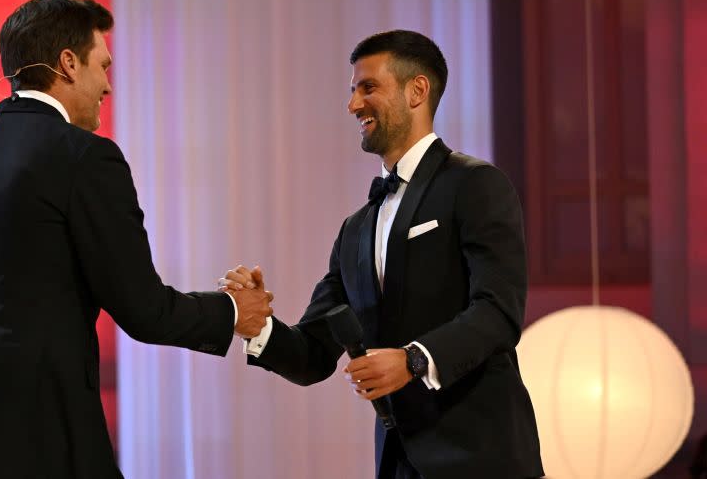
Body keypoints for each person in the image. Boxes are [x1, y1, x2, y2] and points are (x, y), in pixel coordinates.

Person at [0, 0, 272, 479]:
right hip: (43, 444)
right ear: (69, 63)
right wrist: (231, 311)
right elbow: (144, 311)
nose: (108, 86)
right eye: (103, 65)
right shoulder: (86, 158)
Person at [221, 30, 543, 478]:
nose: (353, 105)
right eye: (353, 90)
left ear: (417, 91)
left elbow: (498, 312)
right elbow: (313, 355)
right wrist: (256, 326)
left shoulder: (475, 185)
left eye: (368, 87)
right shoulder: (355, 230)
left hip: (484, 460)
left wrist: (413, 359)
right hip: (397, 465)